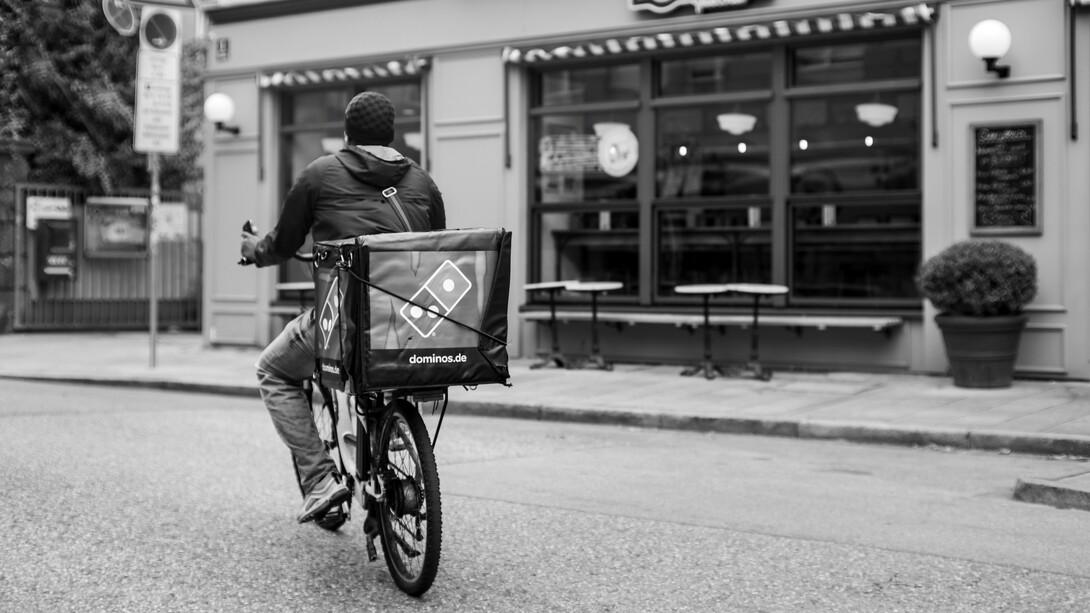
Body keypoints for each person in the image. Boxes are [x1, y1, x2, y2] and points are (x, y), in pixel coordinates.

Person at [240, 91, 446, 524]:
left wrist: (254, 251)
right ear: (391, 134)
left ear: (347, 134)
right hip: (411, 322)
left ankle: (319, 480)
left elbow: (283, 244)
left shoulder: (320, 175)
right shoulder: (423, 182)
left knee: (272, 370)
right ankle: (390, 430)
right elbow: (435, 248)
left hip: (345, 323)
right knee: (386, 339)